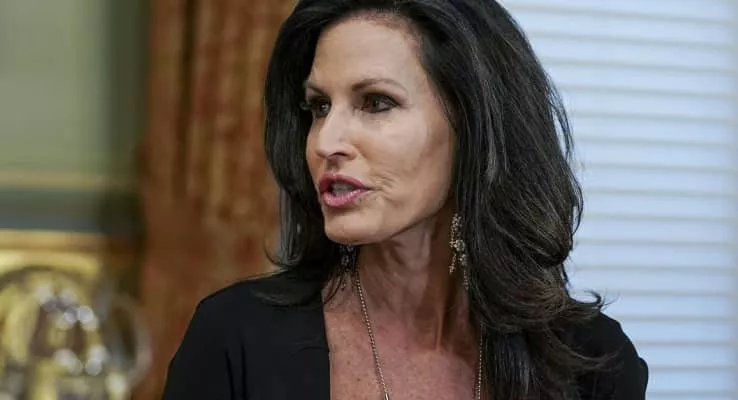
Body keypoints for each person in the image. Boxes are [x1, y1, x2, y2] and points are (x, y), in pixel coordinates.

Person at [162, 0, 649, 399]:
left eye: (376, 102)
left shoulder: (593, 364)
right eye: (319, 107)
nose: (325, 141)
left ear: (474, 129)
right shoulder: (233, 339)